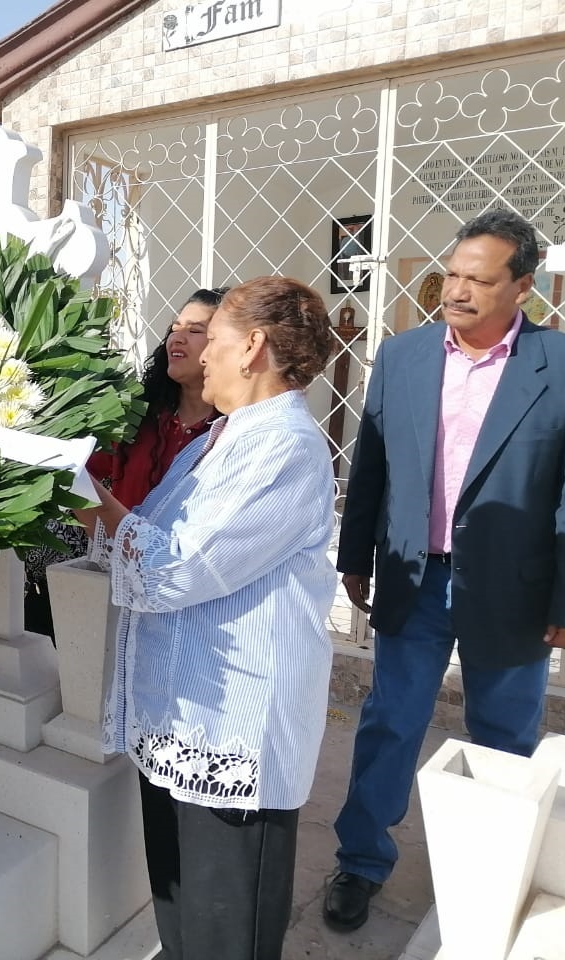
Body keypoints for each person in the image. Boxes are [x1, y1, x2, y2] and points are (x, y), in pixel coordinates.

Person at [324, 209, 565, 932]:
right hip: (415, 579)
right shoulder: (403, 356)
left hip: (515, 589)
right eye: (452, 275)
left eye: (480, 280)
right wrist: (354, 555)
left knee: (503, 737)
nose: (458, 291)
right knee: (391, 720)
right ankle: (360, 861)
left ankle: (485, 870)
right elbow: (372, 463)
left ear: (523, 287)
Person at [75, 276, 337, 959]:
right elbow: (141, 541)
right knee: (182, 921)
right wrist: (72, 490)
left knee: (227, 934)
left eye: (214, 339)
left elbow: (180, 569)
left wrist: (95, 497)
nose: (200, 355)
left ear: (252, 347)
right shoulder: (214, 441)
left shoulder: (285, 447)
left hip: (232, 733)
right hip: (176, 717)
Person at [22, 287, 226, 638]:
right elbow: (84, 483)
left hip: (186, 594)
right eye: (174, 328)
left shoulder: (233, 433)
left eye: (195, 330)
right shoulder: (137, 415)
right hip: (116, 578)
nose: (178, 337)